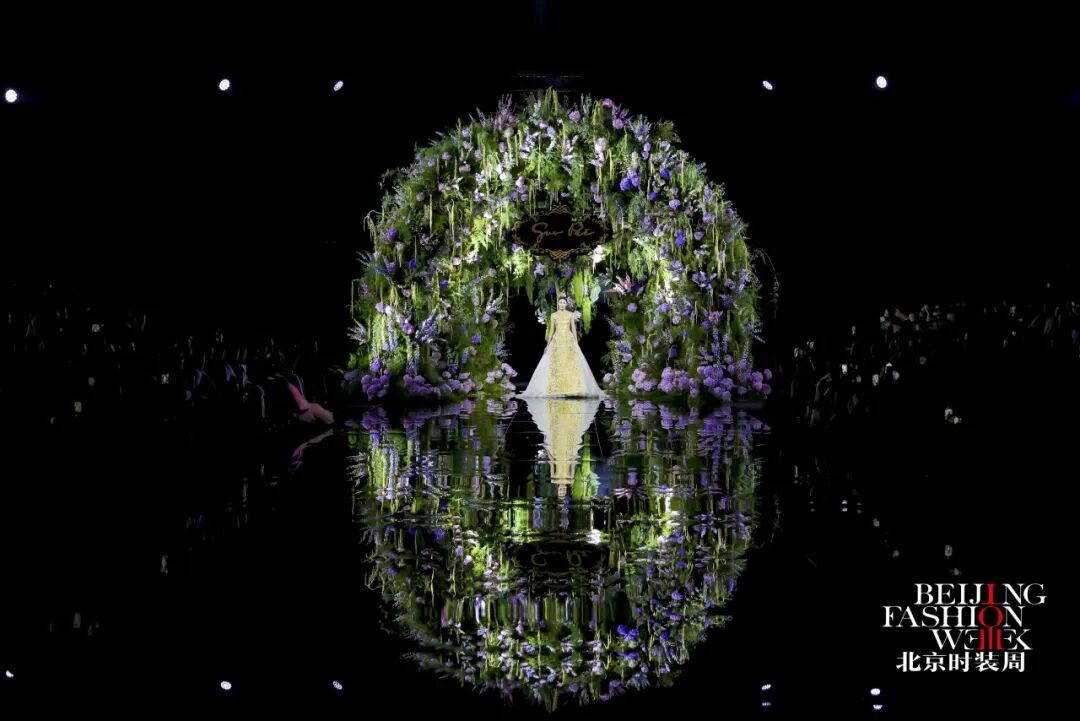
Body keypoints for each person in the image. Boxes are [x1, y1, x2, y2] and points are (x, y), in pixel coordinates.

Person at [520, 294, 604, 398]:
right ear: (558, 304)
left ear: (566, 304)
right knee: (557, 363)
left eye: (564, 302)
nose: (562, 304)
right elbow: (552, 330)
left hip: (568, 340)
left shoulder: (571, 314)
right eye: (560, 302)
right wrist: (548, 344)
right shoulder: (553, 315)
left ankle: (572, 387)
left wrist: (576, 342)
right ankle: (557, 387)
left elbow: (573, 328)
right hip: (557, 341)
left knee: (570, 363)